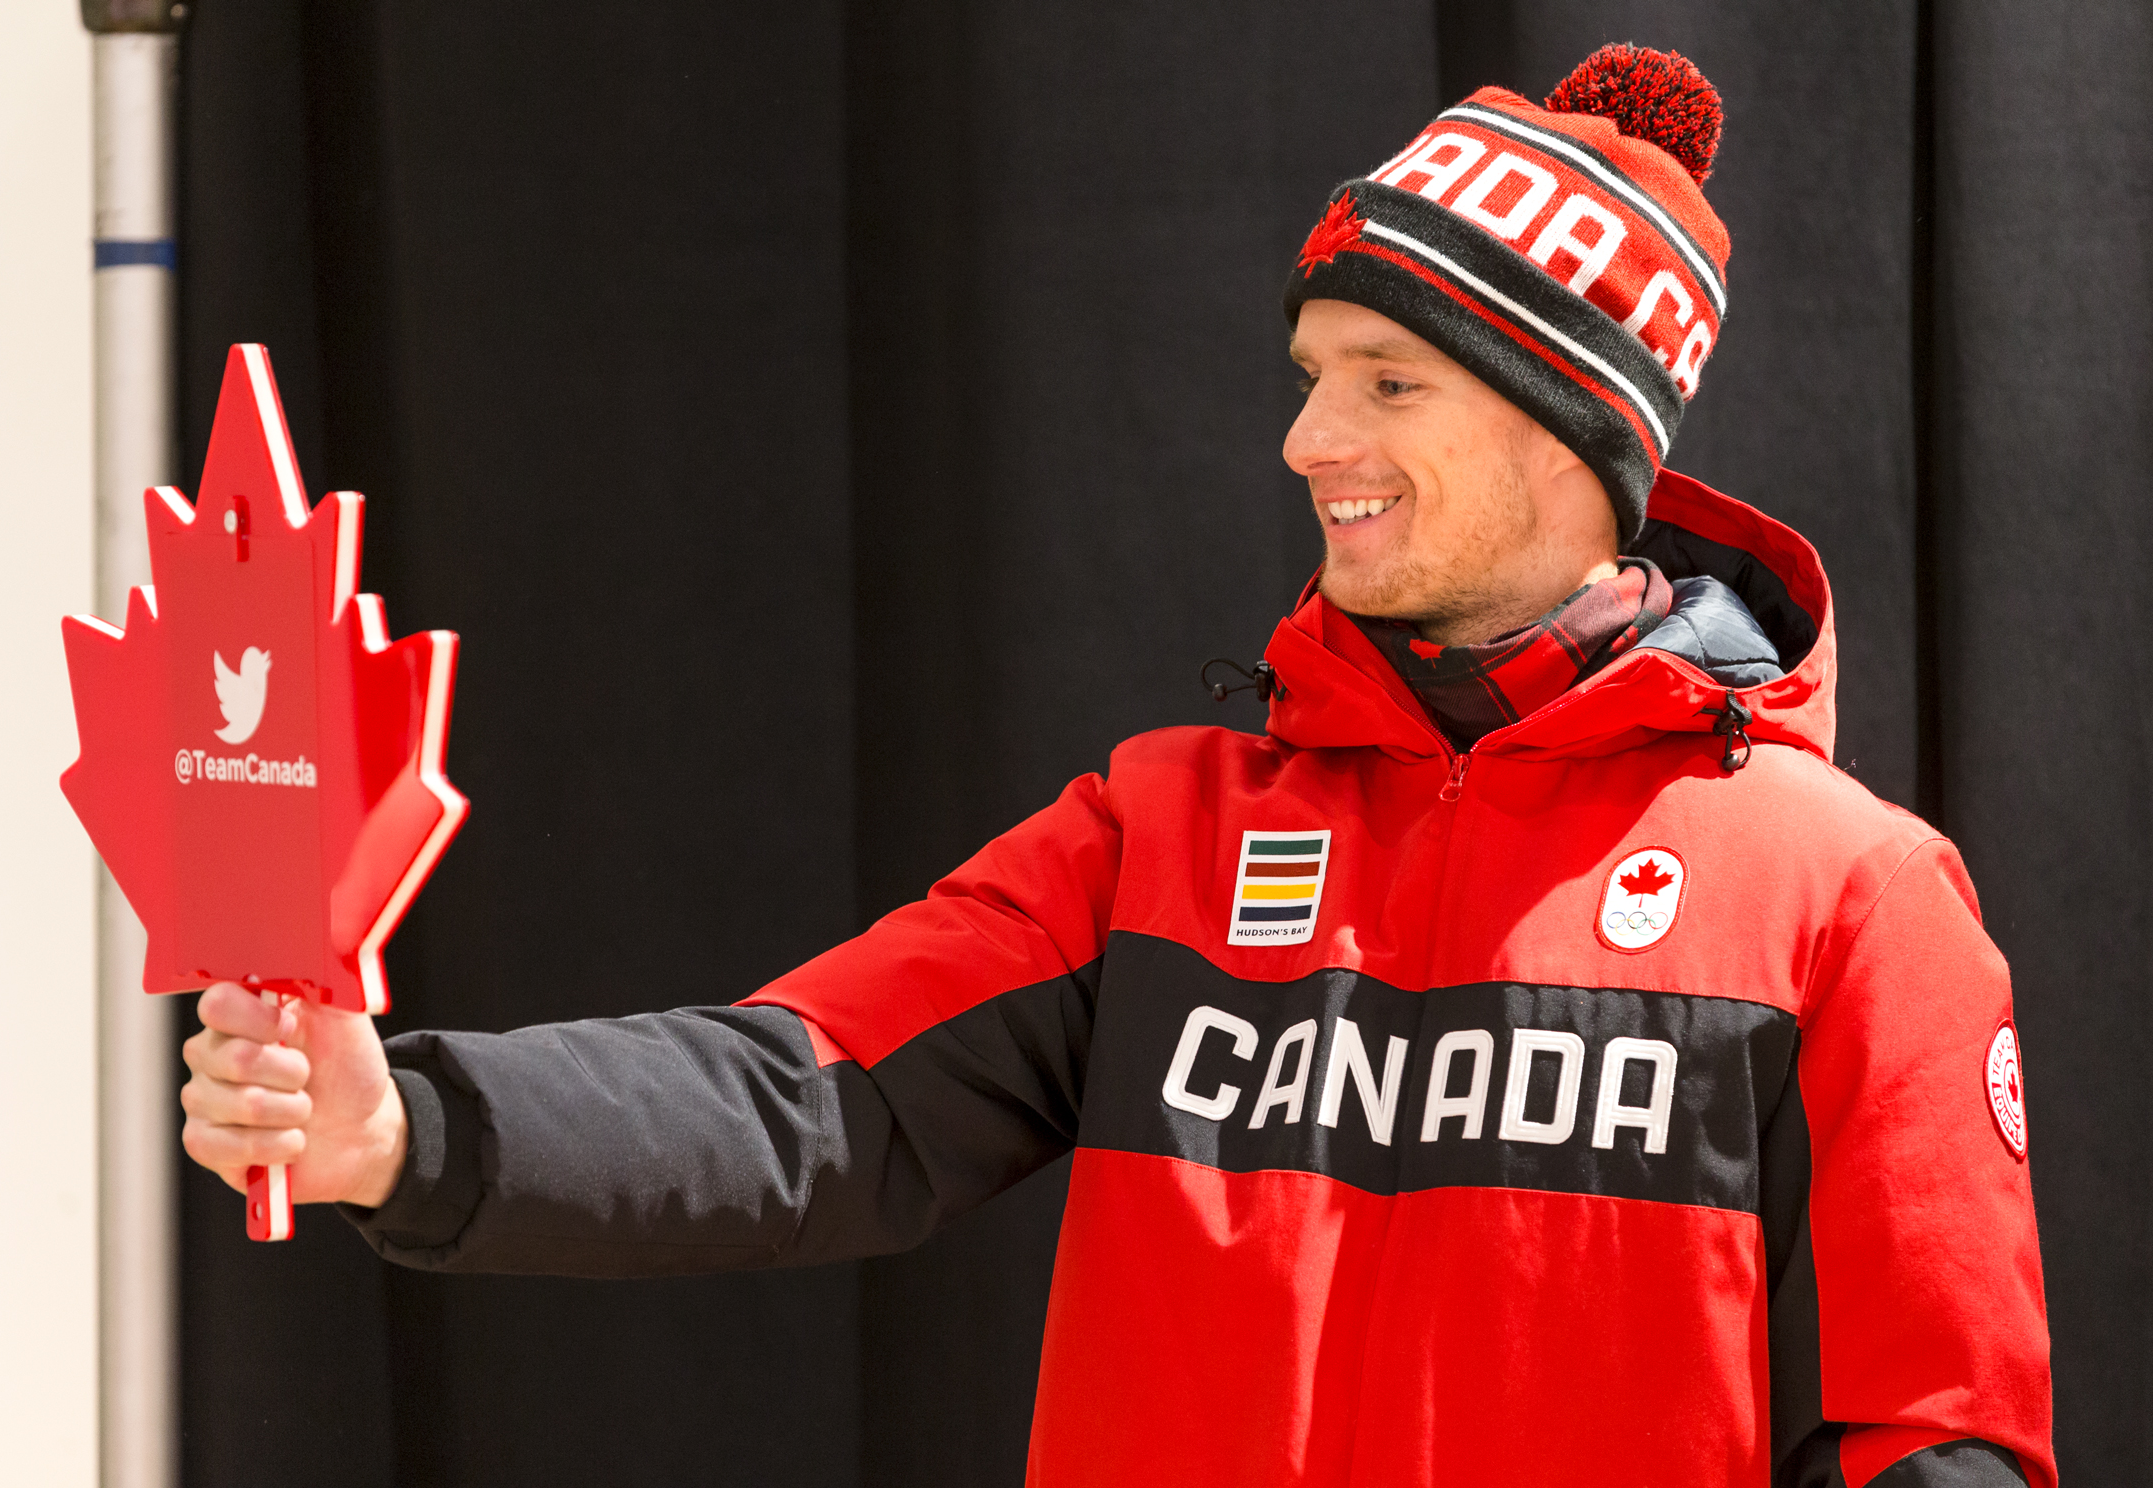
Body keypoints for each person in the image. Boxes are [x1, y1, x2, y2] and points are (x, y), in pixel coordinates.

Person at [180, 44, 2055, 1488]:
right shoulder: (1164, 823)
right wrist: (402, 1131)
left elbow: (1943, 1435)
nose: (1314, 435)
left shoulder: (1850, 892)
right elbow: (807, 1099)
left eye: (1390, 382)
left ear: (1578, 432)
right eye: (1311, 370)